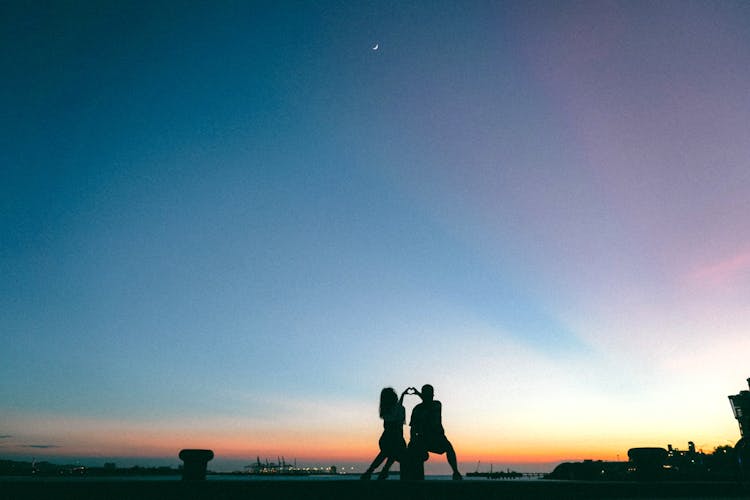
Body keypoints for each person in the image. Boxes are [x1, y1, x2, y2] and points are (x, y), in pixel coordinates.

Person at [409, 384, 462, 480]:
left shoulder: (437, 404)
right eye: (429, 394)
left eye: (430, 394)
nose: (431, 396)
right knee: (416, 452)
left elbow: (428, 404)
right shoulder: (417, 409)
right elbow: (413, 427)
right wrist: (412, 440)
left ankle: (455, 472)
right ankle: (416, 476)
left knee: (449, 448)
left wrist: (419, 394)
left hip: (438, 438)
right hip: (424, 439)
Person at [360, 387, 410, 480]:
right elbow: (398, 412)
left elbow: (396, 409)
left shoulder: (386, 410)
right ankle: (383, 471)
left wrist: (403, 395)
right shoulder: (398, 409)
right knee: (393, 453)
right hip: (395, 437)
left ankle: (371, 472)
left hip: (386, 438)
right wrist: (403, 395)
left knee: (386, 453)